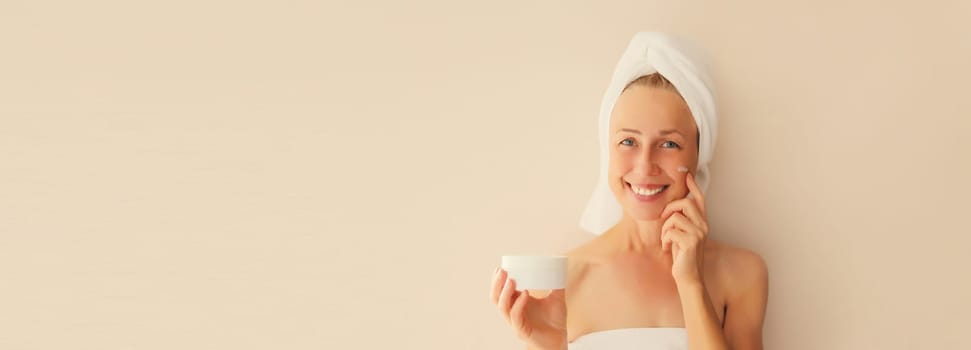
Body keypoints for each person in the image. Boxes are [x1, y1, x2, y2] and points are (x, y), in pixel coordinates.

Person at [489, 32, 769, 350]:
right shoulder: (561, 281)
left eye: (669, 144)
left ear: (699, 154)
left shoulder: (742, 274)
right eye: (628, 142)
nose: (645, 165)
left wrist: (691, 284)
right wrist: (550, 344)